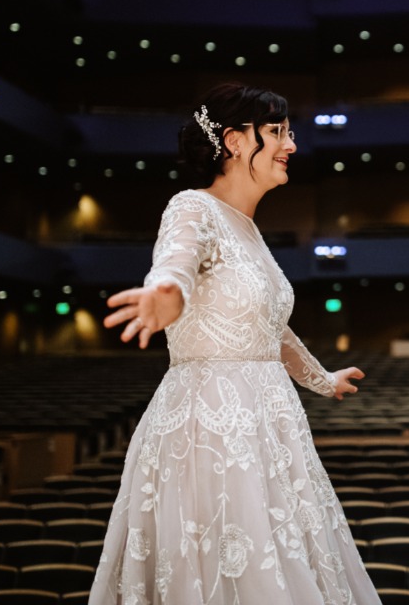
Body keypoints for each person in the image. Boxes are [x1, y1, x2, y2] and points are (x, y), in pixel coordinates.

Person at [89, 83, 380, 605]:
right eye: (277, 132)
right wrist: (165, 295)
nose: (291, 144)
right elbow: (174, 266)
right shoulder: (191, 208)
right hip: (213, 425)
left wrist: (322, 379)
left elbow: (270, 326)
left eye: (289, 132)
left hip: (271, 422)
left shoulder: (248, 229)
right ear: (235, 141)